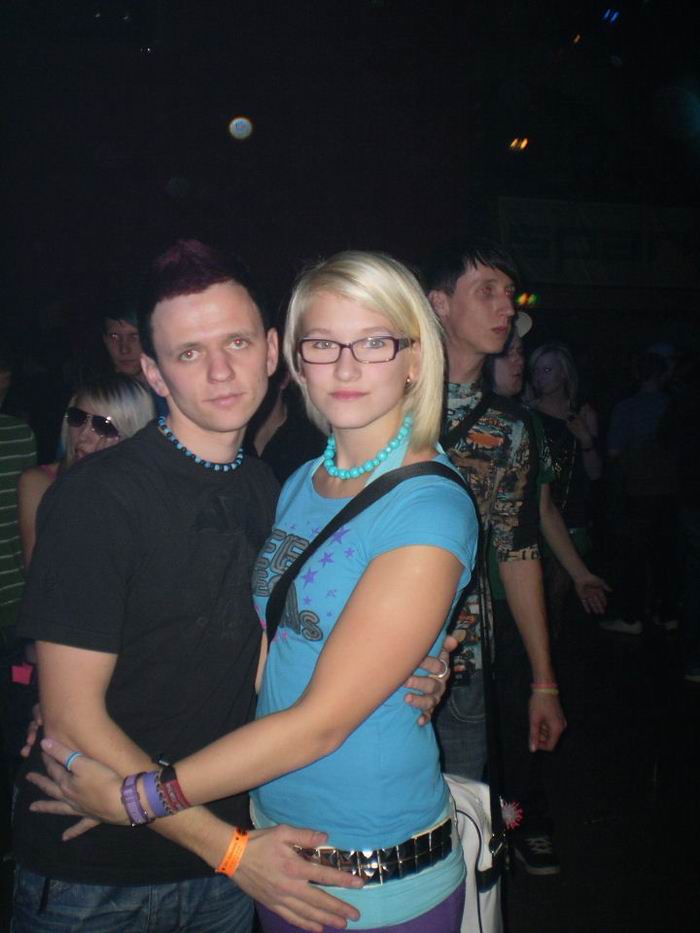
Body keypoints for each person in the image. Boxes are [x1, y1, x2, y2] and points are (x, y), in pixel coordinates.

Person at [26, 250, 478, 933]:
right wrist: (224, 846)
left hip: (273, 855)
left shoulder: (270, 486)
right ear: (153, 372)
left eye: (236, 342)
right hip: (115, 864)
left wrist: (424, 657)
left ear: (269, 353)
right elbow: (70, 715)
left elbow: (309, 689)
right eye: (189, 352)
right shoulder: (110, 496)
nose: (219, 370)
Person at [422, 237, 566, 877]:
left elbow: (518, 547)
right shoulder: (383, 402)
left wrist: (543, 680)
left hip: (466, 661)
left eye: (510, 294)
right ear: (439, 303)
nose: (507, 307)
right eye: (487, 291)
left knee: (462, 833)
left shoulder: (510, 427)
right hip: (373, 659)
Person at [483, 324, 610, 873]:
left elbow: (543, 509)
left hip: (514, 591)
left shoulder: (528, 426)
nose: (522, 360)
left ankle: (523, 821)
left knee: (520, 714)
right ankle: (477, 829)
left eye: (524, 351)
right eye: (510, 352)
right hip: (456, 603)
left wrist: (580, 573)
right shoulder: (434, 418)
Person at [17, 374, 156, 567]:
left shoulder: (146, 493)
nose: (83, 435)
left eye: (102, 426)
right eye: (78, 418)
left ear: (130, 431)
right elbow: (41, 570)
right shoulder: (39, 482)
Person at [526, 342, 602, 639]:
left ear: (564, 374)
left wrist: (586, 439)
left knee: (558, 593)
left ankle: (551, 648)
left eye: (547, 370)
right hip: (538, 514)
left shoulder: (581, 414)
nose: (540, 377)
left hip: (573, 513)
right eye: (536, 370)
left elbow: (595, 473)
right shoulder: (527, 414)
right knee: (539, 591)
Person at [602, 351, 676, 635]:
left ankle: (632, 617)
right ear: (663, 374)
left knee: (634, 556)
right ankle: (667, 613)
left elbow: (613, 451)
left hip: (637, 491)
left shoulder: (627, 408)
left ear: (636, 374)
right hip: (671, 492)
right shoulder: (672, 405)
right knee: (665, 555)